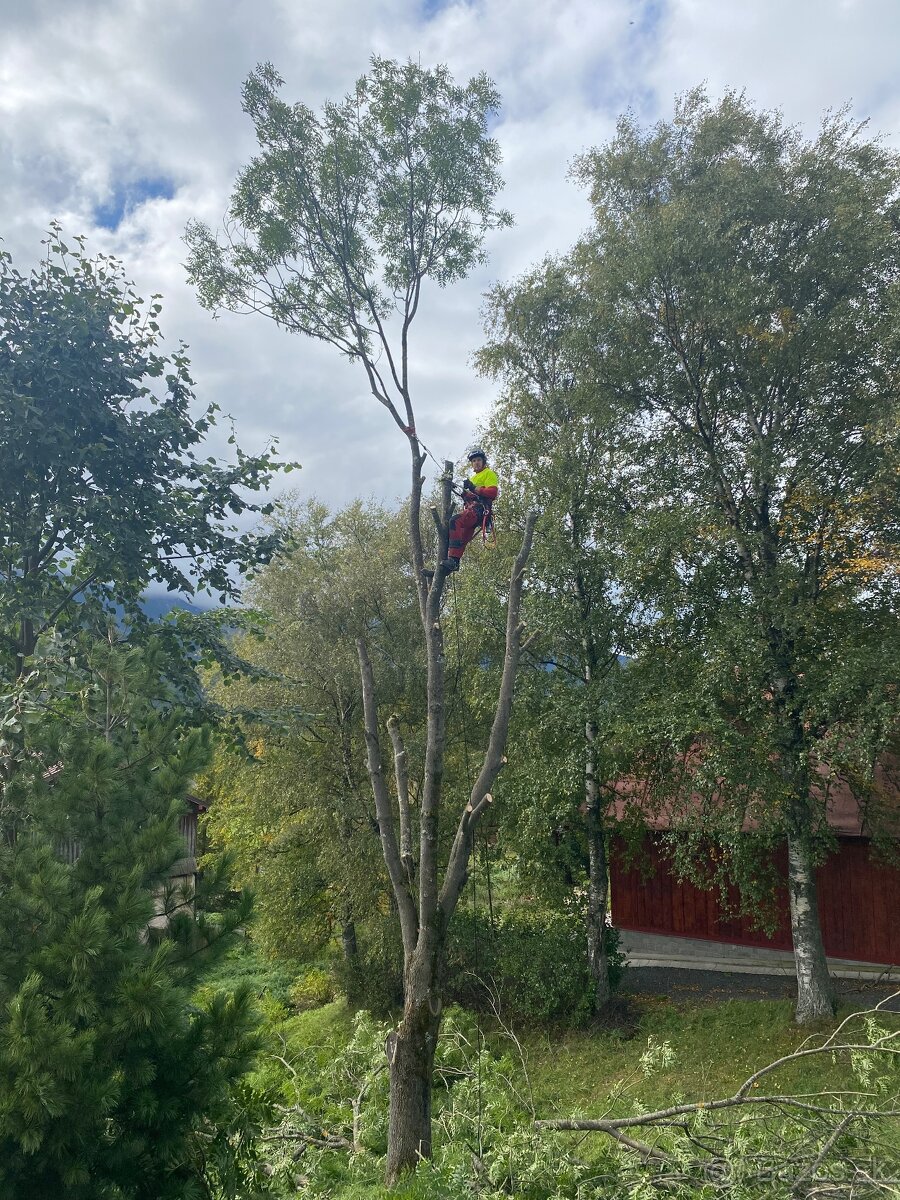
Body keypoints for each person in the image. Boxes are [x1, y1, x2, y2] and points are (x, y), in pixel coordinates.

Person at [440, 449, 499, 572]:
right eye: (474, 461)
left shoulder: (488, 473)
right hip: (471, 509)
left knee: (454, 521)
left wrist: (473, 487)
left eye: (478, 460)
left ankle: (451, 560)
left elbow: (492, 493)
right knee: (460, 537)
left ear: (483, 461)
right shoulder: (473, 477)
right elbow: (469, 496)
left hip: (479, 509)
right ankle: (452, 564)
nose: (476, 463)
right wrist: (459, 490)